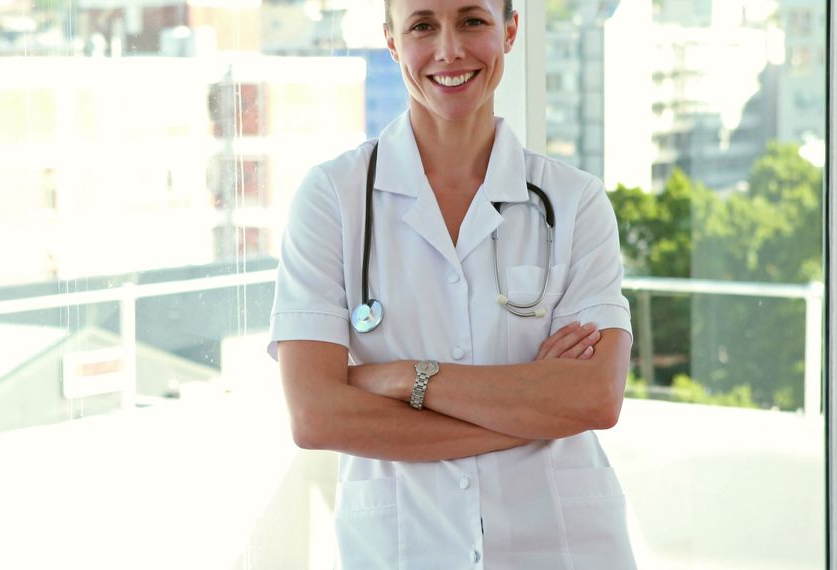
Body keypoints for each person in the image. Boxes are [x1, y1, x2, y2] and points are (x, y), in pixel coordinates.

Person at [267, 0, 636, 567]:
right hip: (403, 547)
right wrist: (532, 410)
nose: (449, 50)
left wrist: (403, 378)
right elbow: (317, 415)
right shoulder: (332, 200)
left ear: (510, 31)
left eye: (473, 21)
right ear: (391, 40)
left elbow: (595, 397)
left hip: (559, 545)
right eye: (422, 26)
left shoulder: (575, 200)